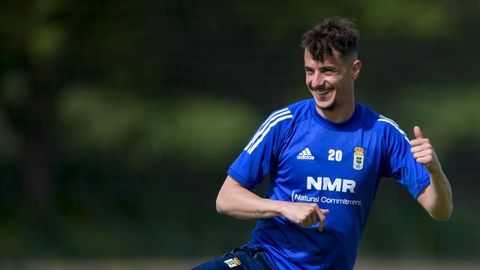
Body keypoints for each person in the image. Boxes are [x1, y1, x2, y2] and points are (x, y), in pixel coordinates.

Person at [193, 16, 453, 270]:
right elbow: (226, 198)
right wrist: (284, 208)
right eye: (310, 71)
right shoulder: (284, 123)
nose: (316, 82)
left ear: (355, 69)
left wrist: (435, 171)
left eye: (327, 71)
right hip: (265, 261)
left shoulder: (382, 133)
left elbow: (440, 210)